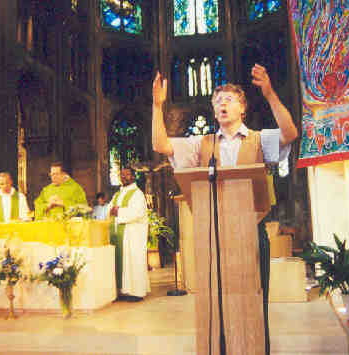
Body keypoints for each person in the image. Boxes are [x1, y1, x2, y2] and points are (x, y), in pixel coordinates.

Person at [152, 63, 298, 355]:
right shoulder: (201, 144)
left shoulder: (257, 139)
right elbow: (161, 144)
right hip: (213, 233)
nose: (221, 104)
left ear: (242, 108)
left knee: (253, 302)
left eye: (228, 100)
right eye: (217, 101)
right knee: (216, 303)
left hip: (251, 232)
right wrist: (157, 106)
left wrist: (269, 94)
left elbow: (290, 133)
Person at [109, 167, 150, 302]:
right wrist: (112, 211)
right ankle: (122, 291)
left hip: (133, 235)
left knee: (133, 262)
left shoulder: (137, 194)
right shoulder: (117, 194)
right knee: (123, 263)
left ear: (133, 177)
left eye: (127, 175)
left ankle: (136, 292)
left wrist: (119, 211)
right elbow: (109, 209)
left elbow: (138, 213)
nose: (124, 177)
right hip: (119, 234)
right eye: (122, 175)